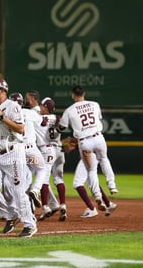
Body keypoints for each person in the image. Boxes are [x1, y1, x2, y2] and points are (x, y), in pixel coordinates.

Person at [0, 78, 37, 237]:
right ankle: (12, 214)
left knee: (18, 191)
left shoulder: (13, 106)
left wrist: (2, 117)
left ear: (2, 91)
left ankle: (30, 225)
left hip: (13, 153)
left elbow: (21, 129)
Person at [57, 85, 117, 217]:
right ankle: (109, 197)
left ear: (73, 95)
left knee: (80, 181)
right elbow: (91, 125)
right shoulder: (95, 104)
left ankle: (92, 207)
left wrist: (61, 134)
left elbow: (61, 129)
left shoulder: (69, 110)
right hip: (98, 139)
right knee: (94, 174)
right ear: (84, 93)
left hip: (85, 144)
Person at [37, 97, 67, 221]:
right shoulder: (56, 118)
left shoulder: (39, 118)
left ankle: (45, 207)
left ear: (45, 107)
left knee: (43, 179)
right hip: (59, 150)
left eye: (42, 106)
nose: (40, 108)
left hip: (48, 150)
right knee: (58, 178)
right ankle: (63, 205)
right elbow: (62, 127)